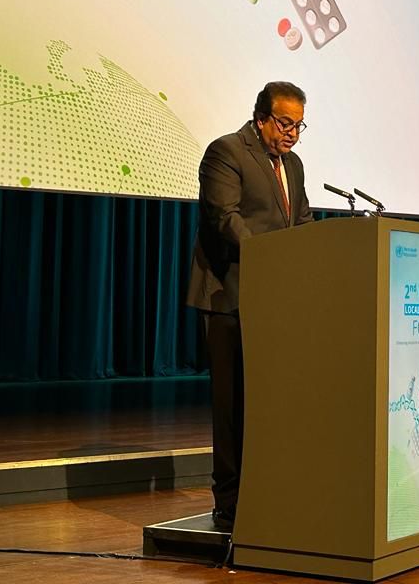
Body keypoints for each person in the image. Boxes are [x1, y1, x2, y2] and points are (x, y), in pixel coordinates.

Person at [186, 81, 313, 531]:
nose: (292, 133)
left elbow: (301, 220)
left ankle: (268, 492)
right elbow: (225, 218)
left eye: (299, 125)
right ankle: (230, 504)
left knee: (268, 402)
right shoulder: (226, 152)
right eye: (285, 123)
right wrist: (270, 258)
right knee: (232, 405)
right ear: (261, 118)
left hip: (275, 301)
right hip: (229, 297)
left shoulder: (293, 165)